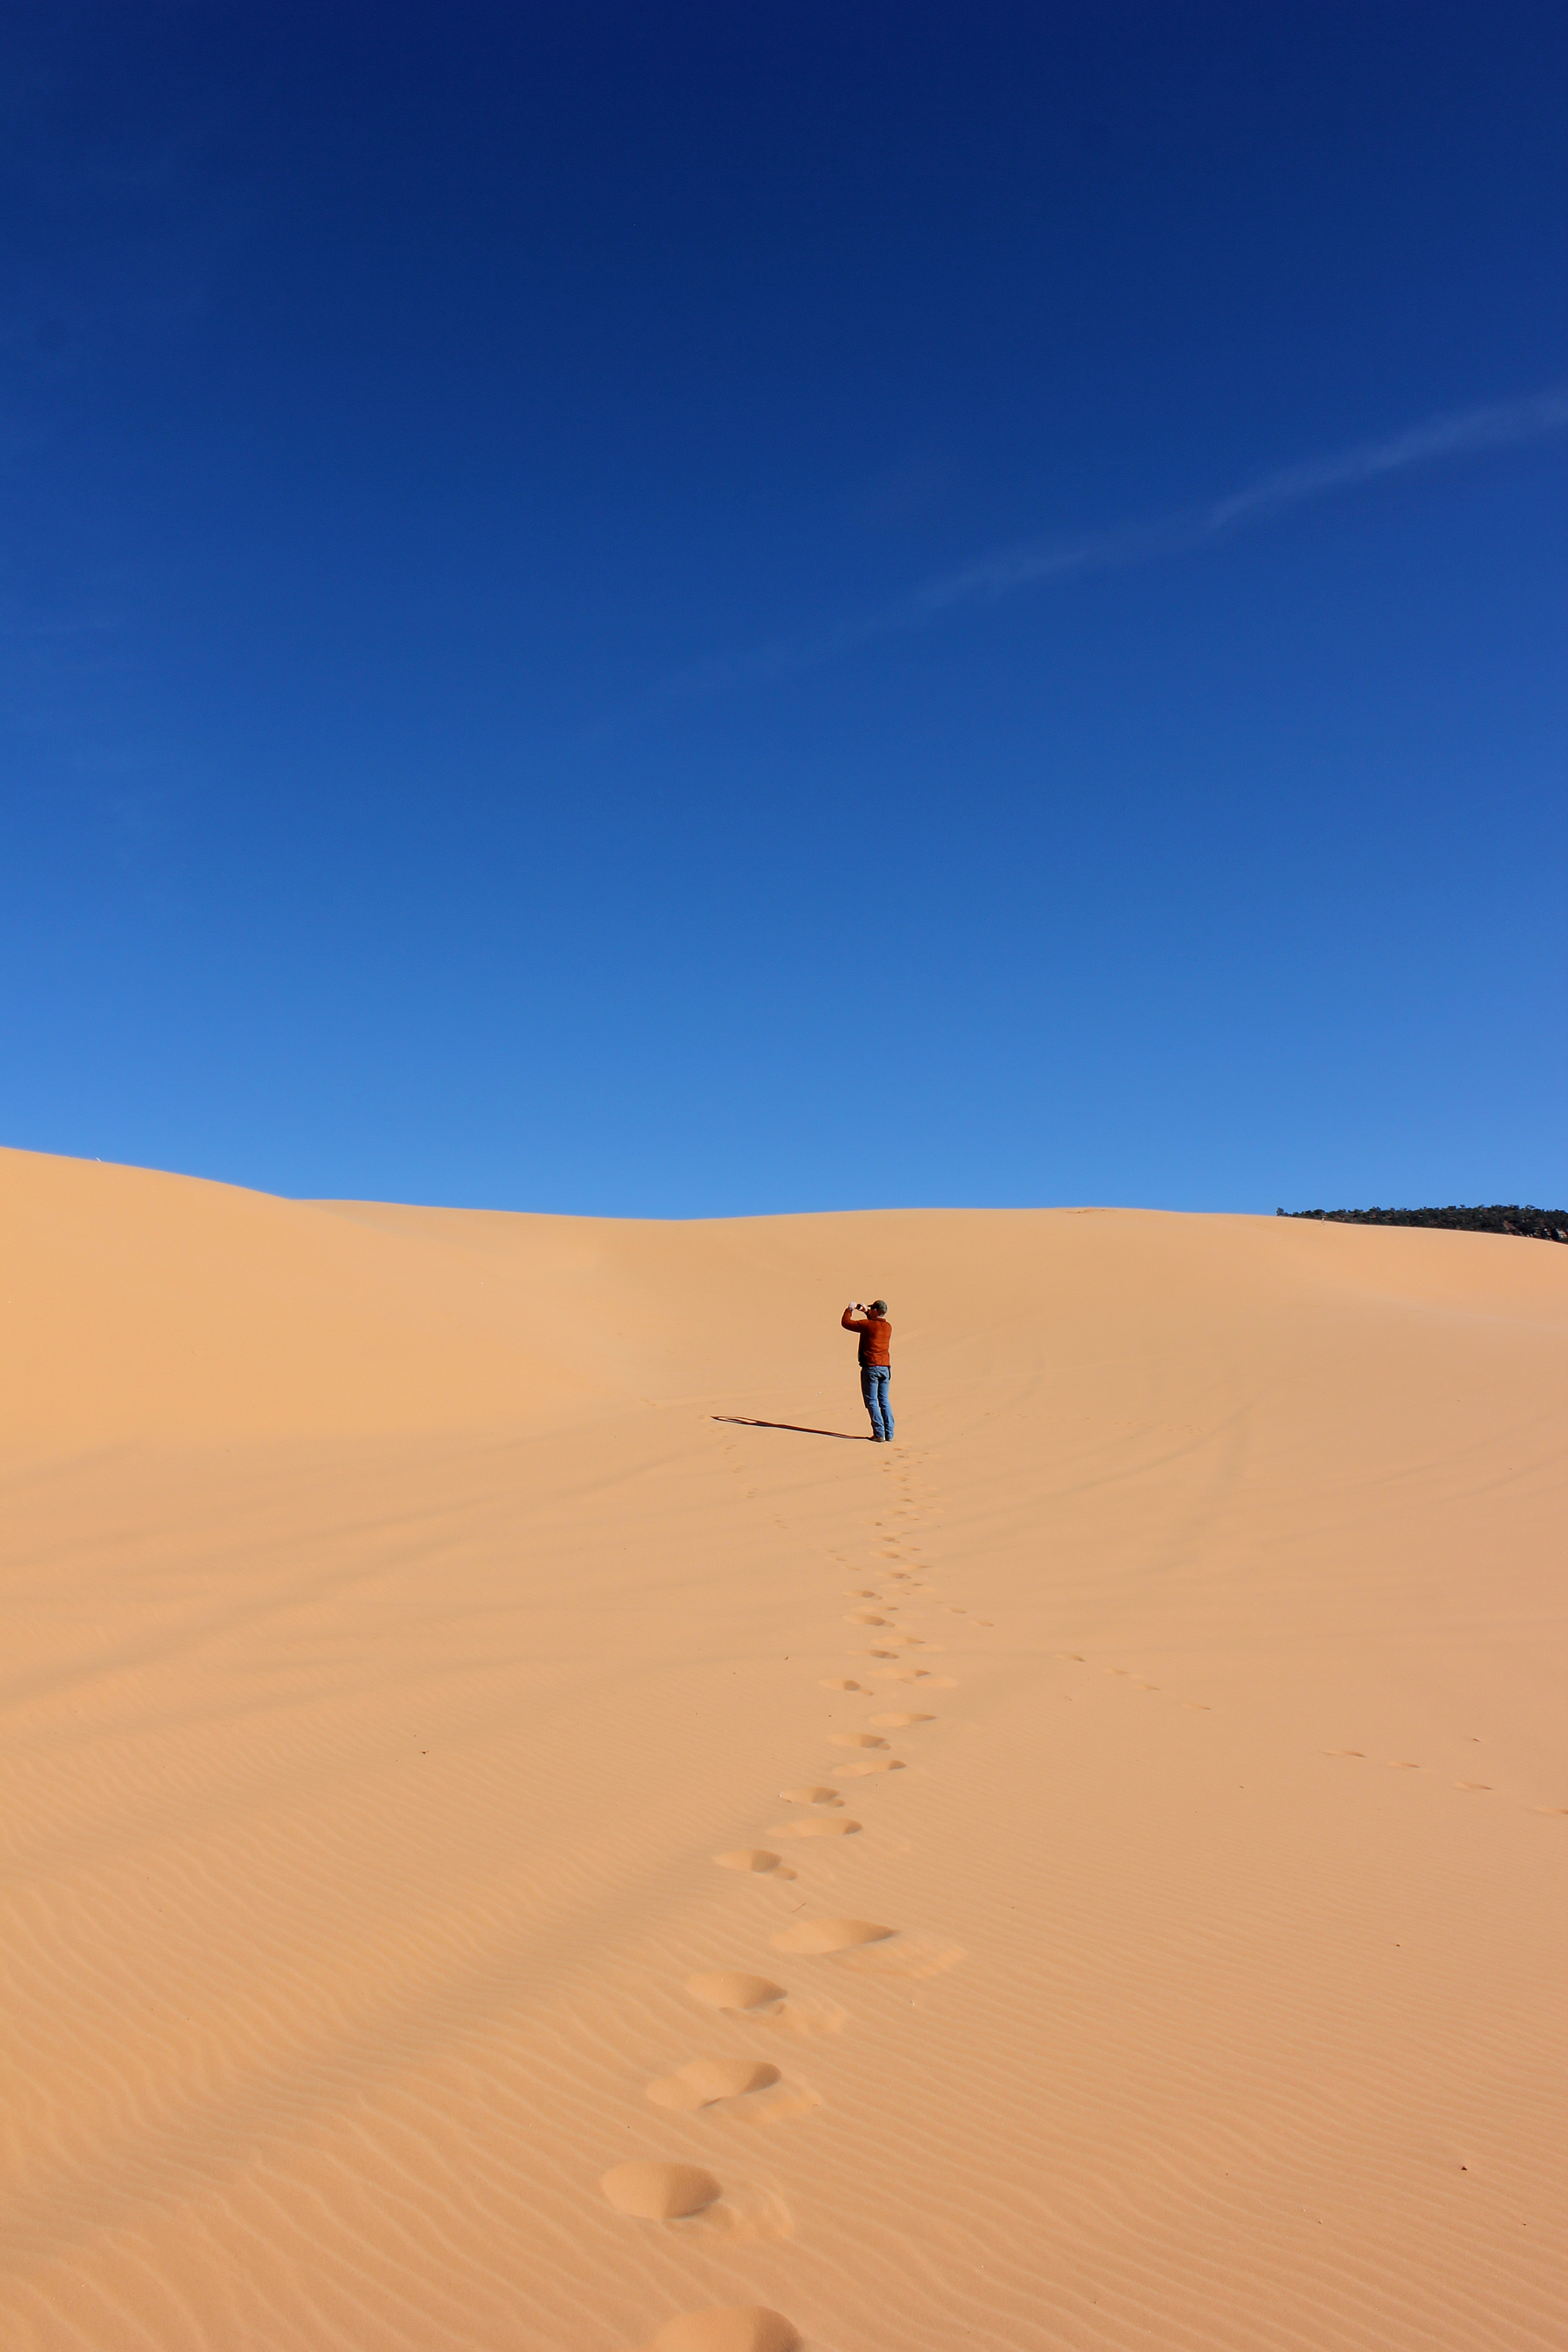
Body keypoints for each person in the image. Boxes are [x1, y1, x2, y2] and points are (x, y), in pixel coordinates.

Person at [841, 1298, 894, 1442]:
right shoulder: (888, 1327)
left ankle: (879, 1433)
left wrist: (850, 1309)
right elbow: (875, 1323)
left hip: (871, 1368)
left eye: (872, 1309)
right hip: (885, 1368)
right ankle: (889, 1433)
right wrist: (866, 1312)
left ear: (876, 1311)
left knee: (871, 1401)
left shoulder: (867, 1325)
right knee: (884, 1400)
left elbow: (846, 1323)